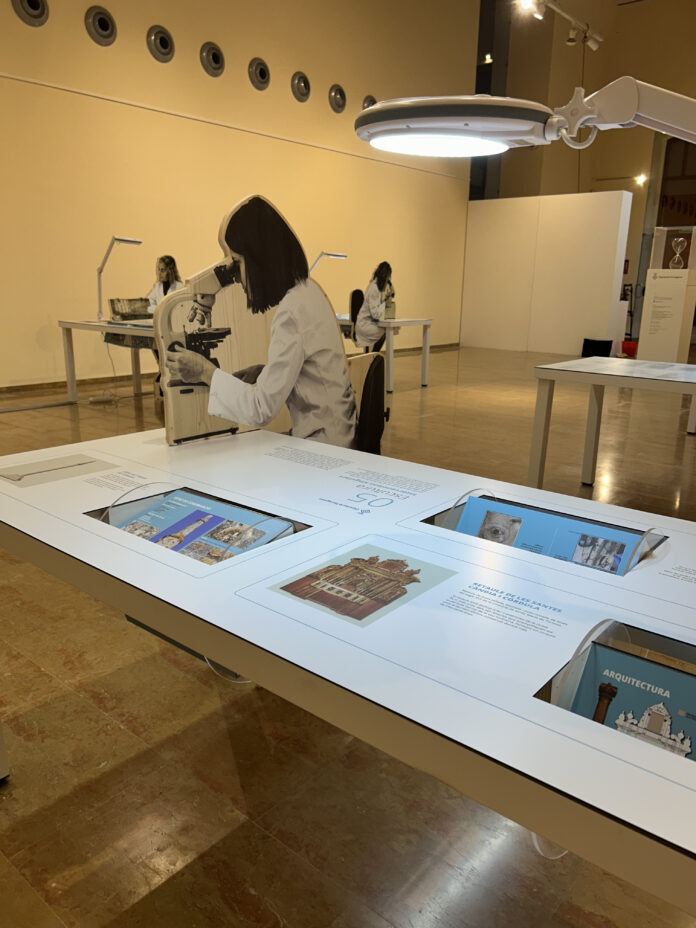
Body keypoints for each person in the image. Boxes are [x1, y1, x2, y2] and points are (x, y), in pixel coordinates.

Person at [165, 196, 357, 448]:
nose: (237, 276)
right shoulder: (308, 291)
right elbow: (310, 369)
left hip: (324, 448)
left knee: (236, 457)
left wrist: (204, 371)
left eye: (237, 263)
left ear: (258, 261)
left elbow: (261, 409)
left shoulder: (291, 312)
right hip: (338, 434)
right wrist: (265, 372)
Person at [355, 261, 394, 351]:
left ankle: (372, 355)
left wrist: (385, 300)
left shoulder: (375, 287)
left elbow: (376, 309)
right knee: (386, 332)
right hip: (365, 325)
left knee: (387, 330)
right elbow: (375, 314)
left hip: (367, 323)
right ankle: (374, 355)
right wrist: (385, 302)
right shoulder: (374, 289)